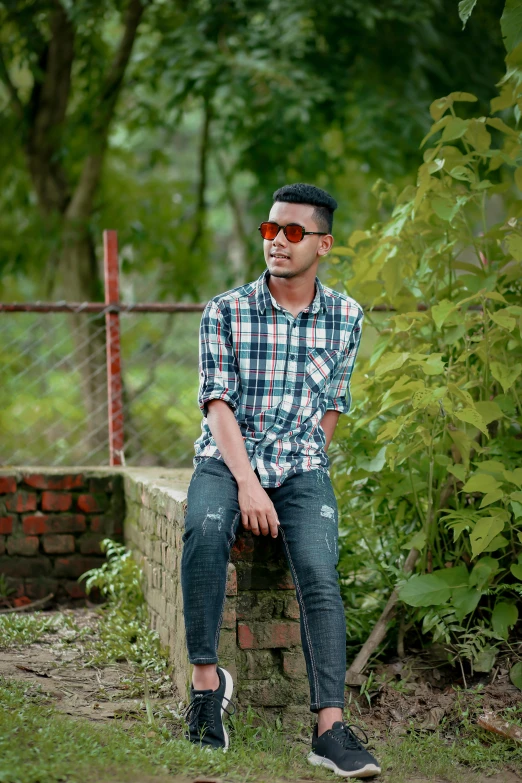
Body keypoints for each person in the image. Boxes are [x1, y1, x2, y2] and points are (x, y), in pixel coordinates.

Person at [181, 183, 381, 778]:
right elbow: (217, 407)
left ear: (323, 244)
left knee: (320, 570)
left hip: (301, 468)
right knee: (203, 528)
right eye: (271, 230)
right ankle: (205, 690)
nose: (278, 242)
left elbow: (332, 407)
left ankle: (330, 730)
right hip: (227, 461)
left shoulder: (347, 316)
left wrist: (303, 464)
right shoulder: (226, 310)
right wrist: (247, 483)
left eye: (293, 233)